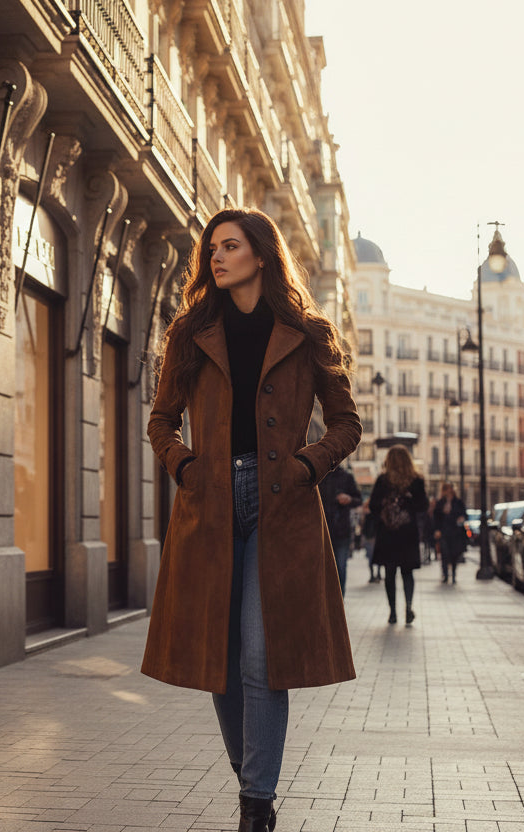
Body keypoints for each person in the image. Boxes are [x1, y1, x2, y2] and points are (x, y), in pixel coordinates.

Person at [142, 208, 362, 831]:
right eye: (212, 247)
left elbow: (347, 423)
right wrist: (185, 466)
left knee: (262, 659)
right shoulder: (191, 331)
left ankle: (255, 805)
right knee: (221, 660)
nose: (216, 256)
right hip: (208, 505)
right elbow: (161, 420)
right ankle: (255, 783)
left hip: (282, 507)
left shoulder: (308, 332)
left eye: (230, 246)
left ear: (260, 255)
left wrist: (304, 467)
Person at [367, 445, 428, 624]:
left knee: (390, 573)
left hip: (388, 533)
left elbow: (372, 507)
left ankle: (393, 612)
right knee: (407, 573)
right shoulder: (416, 481)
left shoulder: (383, 481)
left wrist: (386, 504)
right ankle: (408, 606)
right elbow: (423, 506)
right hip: (408, 533)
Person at [318, 465, 362, 595]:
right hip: (321, 530)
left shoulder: (346, 476)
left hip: (341, 531)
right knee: (323, 570)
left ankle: (340, 602)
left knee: (340, 569)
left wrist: (349, 499)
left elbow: (358, 499)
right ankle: (326, 603)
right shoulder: (319, 475)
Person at [431, 482, 468, 584]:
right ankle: (445, 574)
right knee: (444, 553)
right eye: (446, 489)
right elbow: (436, 517)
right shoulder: (440, 503)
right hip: (444, 531)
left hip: (455, 532)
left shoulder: (458, 502)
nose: (448, 491)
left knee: (454, 554)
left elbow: (464, 513)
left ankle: (454, 573)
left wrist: (461, 518)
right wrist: (437, 530)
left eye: (449, 489)